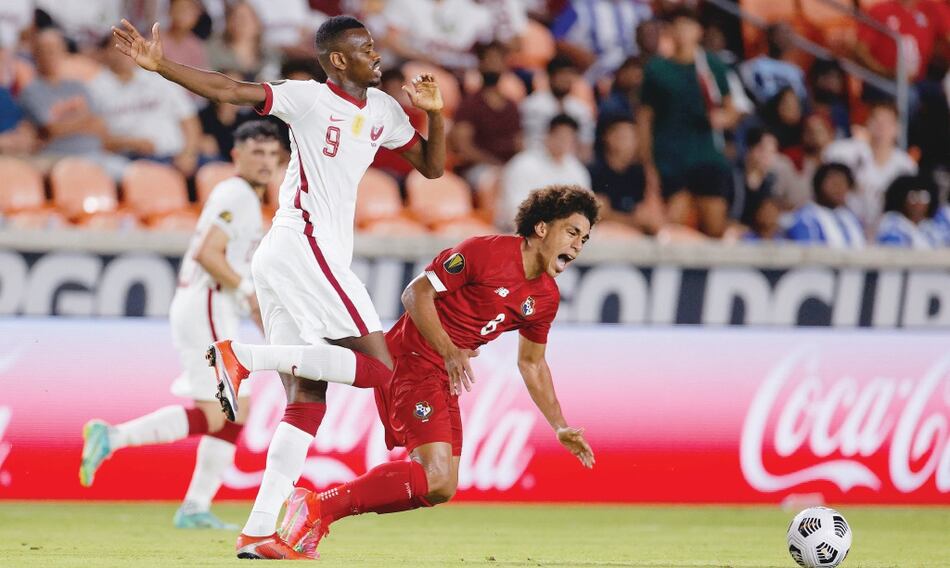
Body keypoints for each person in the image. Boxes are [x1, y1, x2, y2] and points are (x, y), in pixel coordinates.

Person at [111, 14, 445, 559]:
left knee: (307, 400)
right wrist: (160, 65)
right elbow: (229, 88)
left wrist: (436, 114)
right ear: (338, 60)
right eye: (364, 49)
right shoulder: (308, 97)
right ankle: (241, 354)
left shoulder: (384, 109)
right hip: (301, 244)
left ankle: (259, 529)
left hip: (292, 256)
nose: (376, 56)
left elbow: (431, 168)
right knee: (381, 369)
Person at [273, 184, 598, 559]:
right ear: (542, 229)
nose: (576, 246)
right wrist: (449, 349)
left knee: (442, 486)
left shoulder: (545, 298)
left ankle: (317, 507)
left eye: (584, 239)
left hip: (443, 374)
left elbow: (532, 362)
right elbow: (415, 294)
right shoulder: (485, 251)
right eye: (572, 232)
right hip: (412, 360)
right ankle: (315, 508)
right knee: (435, 471)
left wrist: (559, 425)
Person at [78, 121, 281, 529]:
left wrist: (254, 308)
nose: (266, 162)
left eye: (273, 154)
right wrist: (246, 292)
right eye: (256, 152)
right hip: (207, 305)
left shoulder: (243, 198)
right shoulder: (236, 194)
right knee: (218, 414)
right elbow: (209, 254)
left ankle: (194, 506)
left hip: (210, 306)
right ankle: (114, 438)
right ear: (237, 156)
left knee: (237, 410)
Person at [637, 6, 740, 238]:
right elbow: (645, 119)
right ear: (669, 31)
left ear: (699, 31)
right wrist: (647, 162)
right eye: (677, 27)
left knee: (714, 226)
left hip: (708, 155)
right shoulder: (656, 69)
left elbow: (732, 110)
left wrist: (722, 118)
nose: (683, 32)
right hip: (671, 158)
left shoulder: (712, 66)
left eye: (688, 26)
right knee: (674, 225)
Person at [18, 27, 129, 179]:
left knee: (133, 175)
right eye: (45, 50)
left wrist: (68, 125)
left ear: (64, 53)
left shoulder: (78, 86)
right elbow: (53, 129)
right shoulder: (32, 90)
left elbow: (100, 124)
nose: (51, 55)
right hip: (56, 157)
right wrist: (85, 120)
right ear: (35, 55)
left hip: (95, 155)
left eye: (56, 50)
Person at [89, 35, 202, 176]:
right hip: (132, 160)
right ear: (105, 53)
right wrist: (130, 143)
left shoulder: (160, 78)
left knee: (218, 171)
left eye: (130, 46)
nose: (126, 52)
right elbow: (97, 140)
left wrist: (189, 154)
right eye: (118, 47)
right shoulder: (95, 89)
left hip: (178, 158)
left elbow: (189, 120)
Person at [822, 101, 917, 230]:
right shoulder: (844, 152)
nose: (881, 127)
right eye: (877, 121)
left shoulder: (905, 165)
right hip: (846, 224)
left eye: (887, 123)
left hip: (887, 230)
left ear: (897, 128)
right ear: (868, 123)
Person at [497, 115, 591, 230]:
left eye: (569, 138)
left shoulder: (577, 171)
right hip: (518, 232)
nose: (563, 142)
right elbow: (514, 210)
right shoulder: (523, 164)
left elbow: (584, 211)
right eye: (560, 136)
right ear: (548, 135)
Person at [588, 115, 657, 233]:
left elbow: (647, 217)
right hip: (603, 233)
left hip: (631, 232)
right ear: (609, 138)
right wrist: (633, 221)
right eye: (624, 137)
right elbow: (599, 214)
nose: (629, 143)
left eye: (633, 137)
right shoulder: (596, 171)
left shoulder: (638, 173)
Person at [520, 55, 594, 157]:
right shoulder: (532, 105)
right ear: (550, 76)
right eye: (561, 75)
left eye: (569, 75)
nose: (565, 80)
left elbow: (585, 145)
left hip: (569, 164)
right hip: (537, 160)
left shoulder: (581, 109)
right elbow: (529, 142)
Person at [786, 162, 865, 248]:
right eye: (834, 184)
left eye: (843, 184)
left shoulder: (850, 217)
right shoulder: (806, 218)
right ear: (819, 185)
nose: (839, 189)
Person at [876, 174, 941, 248]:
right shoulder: (891, 222)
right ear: (903, 199)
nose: (918, 203)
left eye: (924, 197)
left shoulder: (931, 226)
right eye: (913, 197)